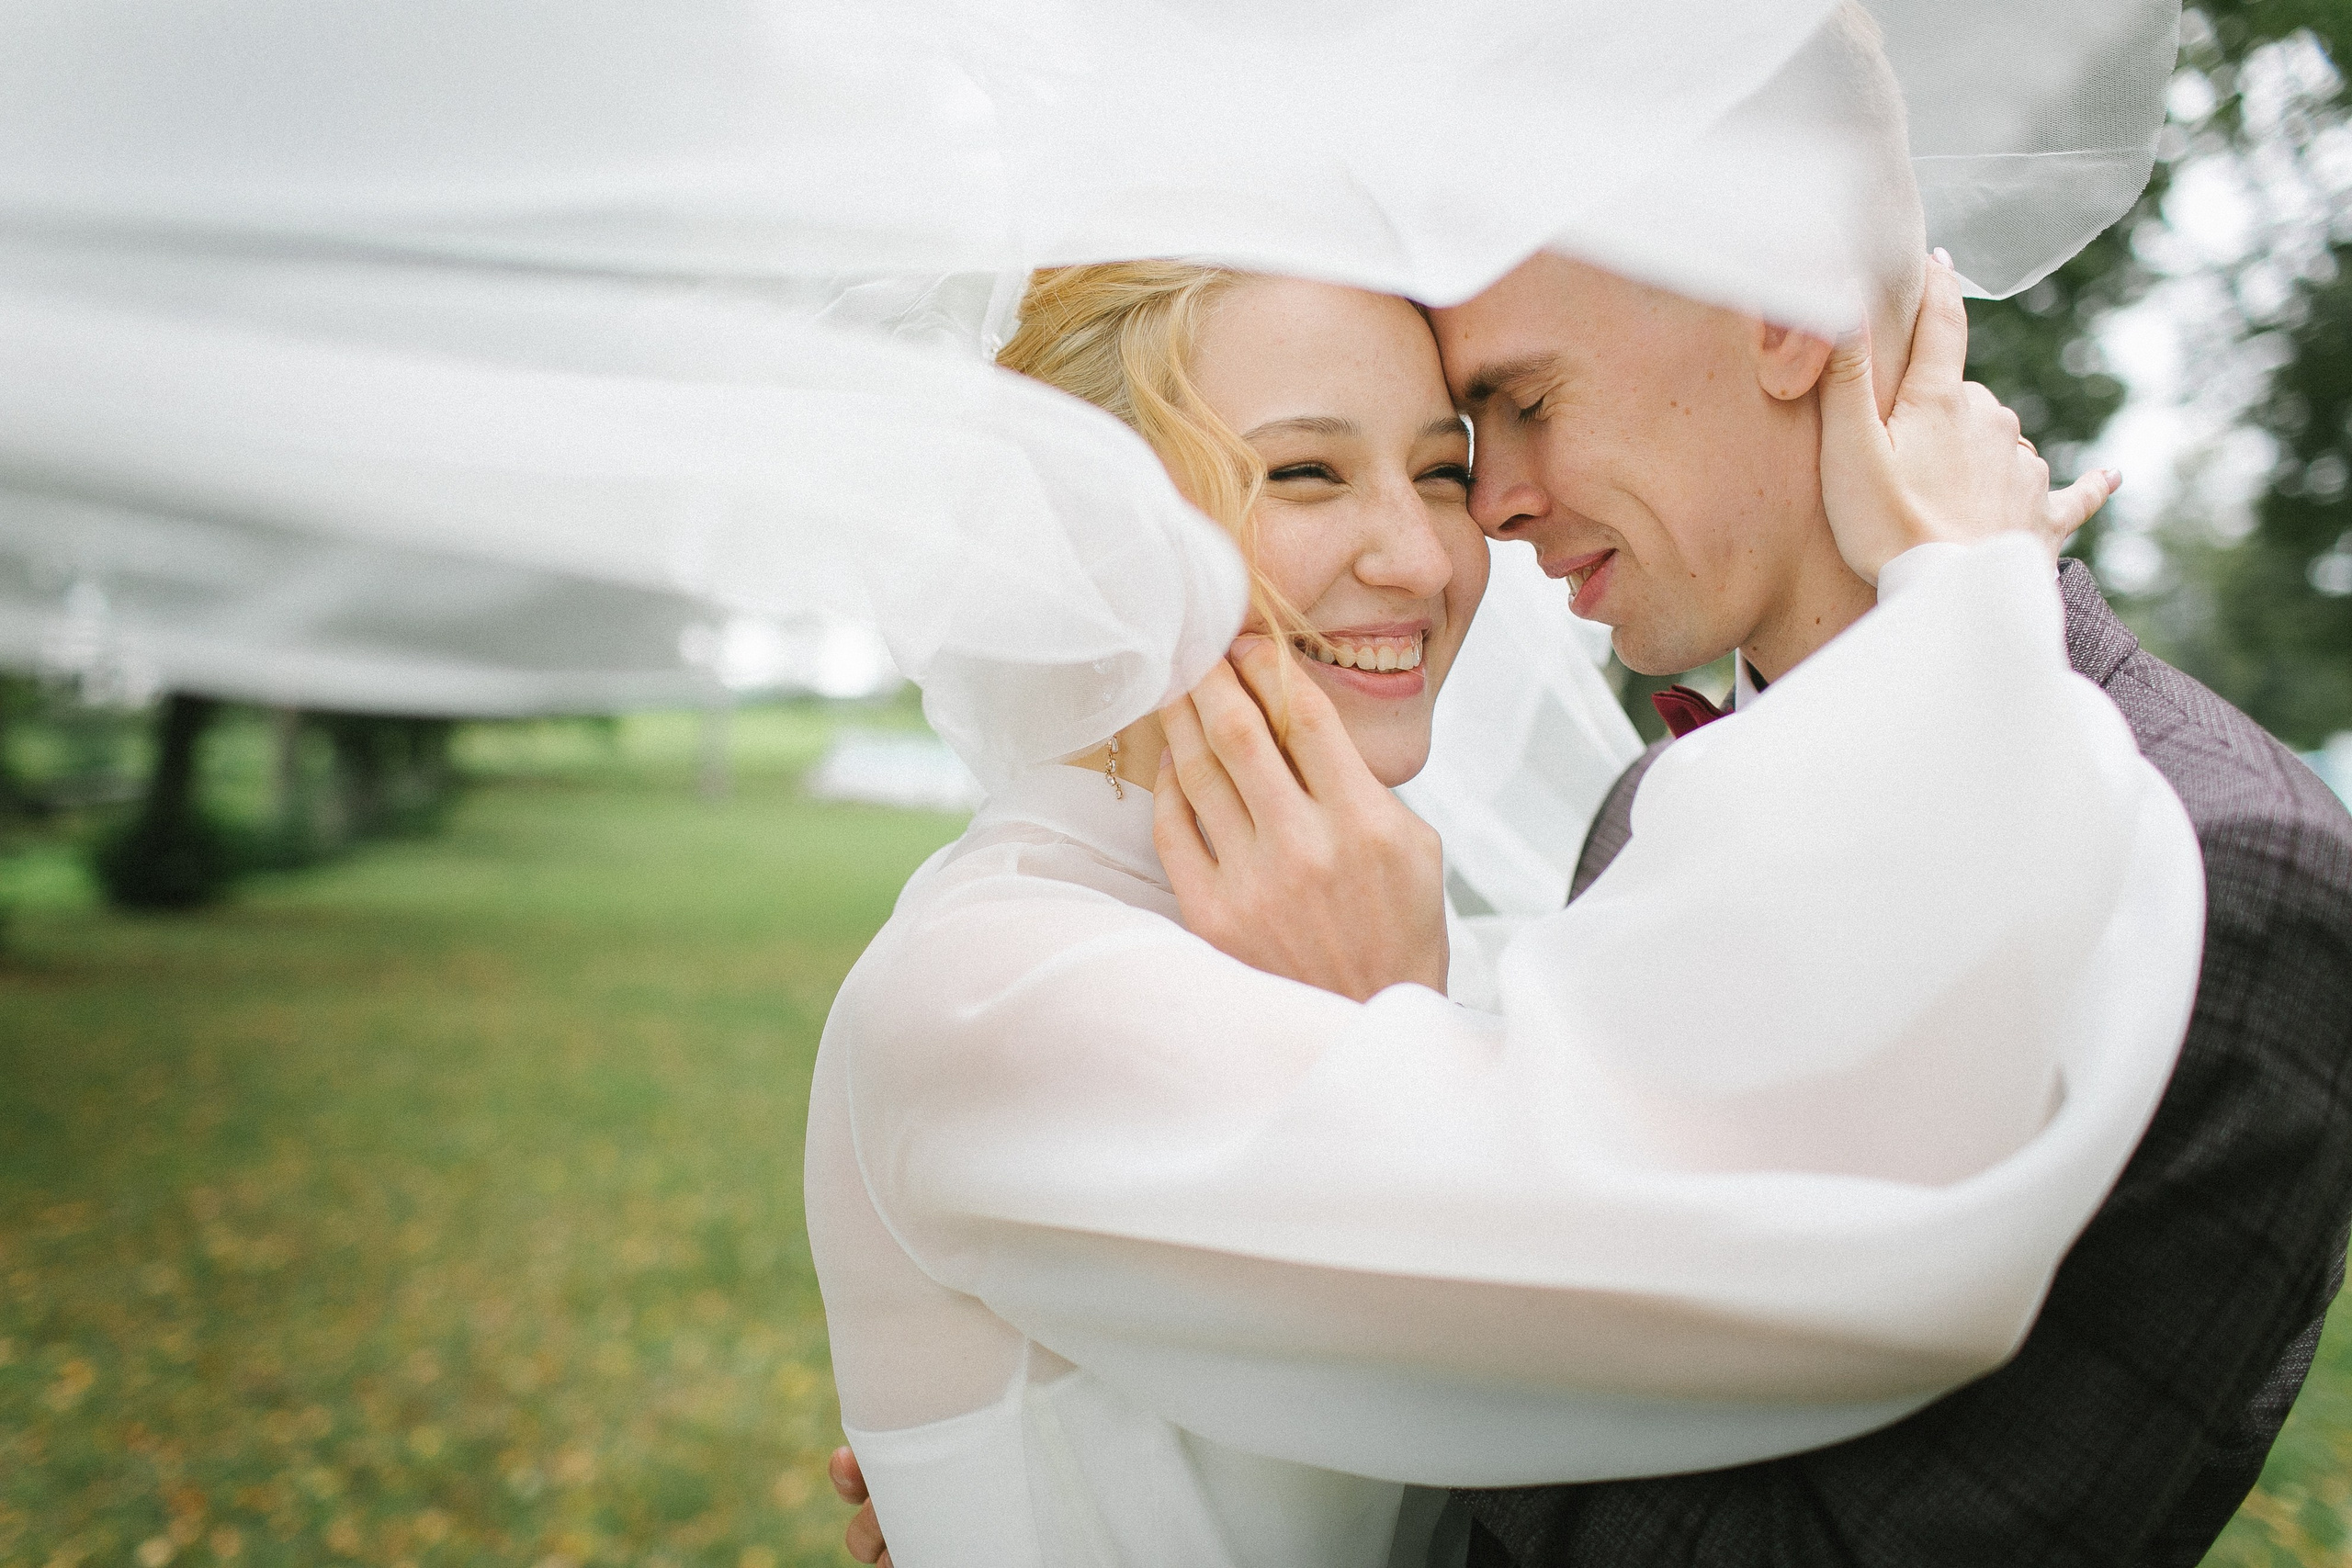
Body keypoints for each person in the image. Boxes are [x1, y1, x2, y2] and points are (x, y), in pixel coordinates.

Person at [1124, 21, 2352, 1566]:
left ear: (1784, 312)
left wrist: (1394, 1085)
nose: (1489, 507)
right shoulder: (1652, 801)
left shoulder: (2233, 868)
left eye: (1527, 399)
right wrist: (1102, 1488)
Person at [808, 241, 2201, 1568]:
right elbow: (1770, 1251)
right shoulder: (988, 990)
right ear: (1082, 536)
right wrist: (1959, 600)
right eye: (1305, 472)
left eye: (1439, 472)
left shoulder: (1402, 947)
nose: (1424, 560)